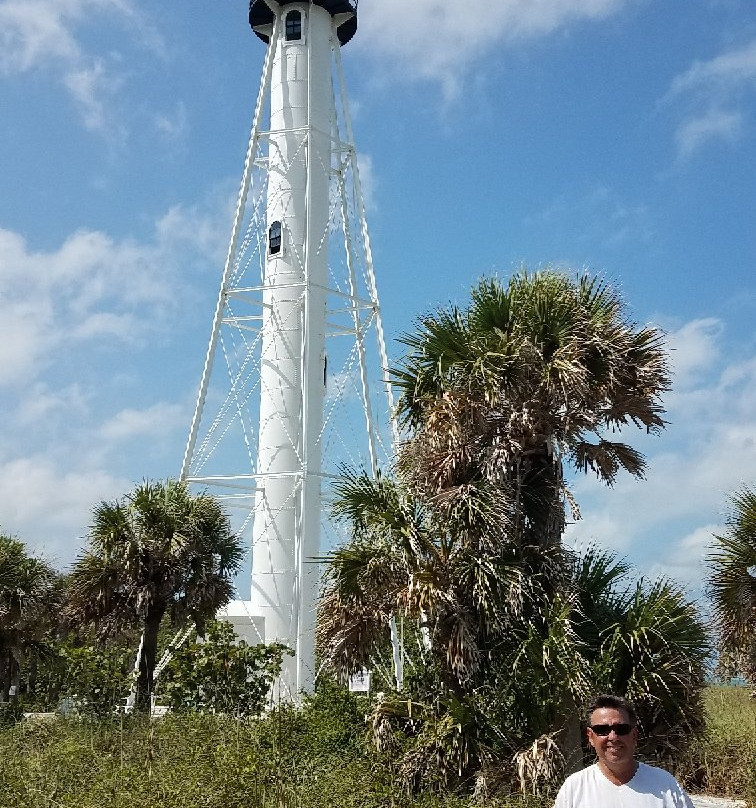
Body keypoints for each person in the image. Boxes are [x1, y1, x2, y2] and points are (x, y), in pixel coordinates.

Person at [553, 694, 695, 808]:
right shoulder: (574, 787)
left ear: (634, 735)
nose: (613, 737)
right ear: (590, 736)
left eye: (621, 729)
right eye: (602, 730)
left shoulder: (665, 784)